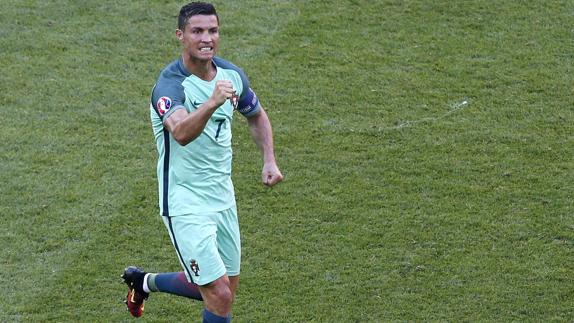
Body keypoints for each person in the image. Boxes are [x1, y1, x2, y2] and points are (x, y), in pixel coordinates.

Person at [121, 2, 283, 322]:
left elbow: (256, 115)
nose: (206, 38)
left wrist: (269, 160)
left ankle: (143, 282)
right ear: (181, 36)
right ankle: (145, 282)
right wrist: (212, 102)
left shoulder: (231, 76)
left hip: (223, 198)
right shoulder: (169, 86)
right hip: (184, 201)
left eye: (213, 30)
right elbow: (180, 132)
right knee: (219, 294)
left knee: (220, 290)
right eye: (197, 31)